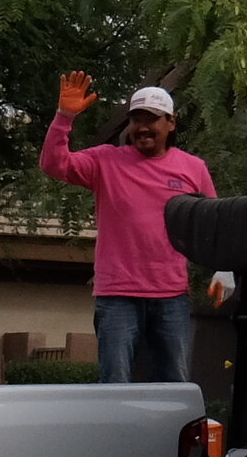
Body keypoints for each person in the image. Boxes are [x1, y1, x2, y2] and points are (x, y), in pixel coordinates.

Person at [40, 73, 215, 384]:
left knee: (175, 384)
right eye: (137, 119)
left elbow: (213, 224)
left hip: (171, 295)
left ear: (171, 123)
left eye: (152, 119)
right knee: (114, 383)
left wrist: (223, 268)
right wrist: (64, 117)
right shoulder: (105, 161)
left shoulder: (193, 168)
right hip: (117, 295)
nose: (143, 127)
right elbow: (53, 164)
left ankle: (171, 436)